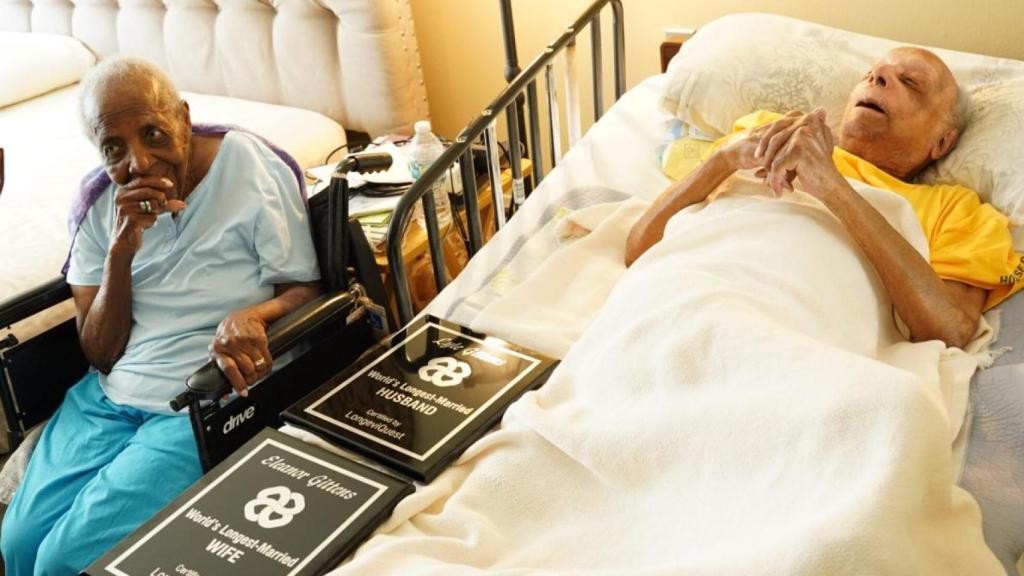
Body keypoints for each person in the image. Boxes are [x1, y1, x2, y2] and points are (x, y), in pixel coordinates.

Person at [0, 56, 322, 574]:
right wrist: (121, 252)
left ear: (184, 117)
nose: (141, 162)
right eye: (114, 148)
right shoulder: (97, 201)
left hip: (203, 396)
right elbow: (99, 352)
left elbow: (305, 289)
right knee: (17, 544)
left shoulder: (247, 164)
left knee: (62, 560)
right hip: (110, 397)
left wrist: (255, 316)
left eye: (153, 133)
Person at [626, 47, 1022, 349]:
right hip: (684, 300)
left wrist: (831, 186)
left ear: (942, 141)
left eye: (911, 82)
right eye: (871, 73)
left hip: (799, 337)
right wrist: (725, 159)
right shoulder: (766, 132)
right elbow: (638, 247)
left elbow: (950, 329)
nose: (878, 74)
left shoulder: (957, 209)